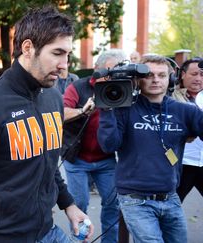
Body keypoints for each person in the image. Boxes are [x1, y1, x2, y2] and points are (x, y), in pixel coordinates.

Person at [0, 6, 93, 242]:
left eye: (67, 55)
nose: (65, 65)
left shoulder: (53, 98)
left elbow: (49, 163)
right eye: (57, 53)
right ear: (27, 48)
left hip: (48, 231)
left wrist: (69, 205)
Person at [97, 54, 203, 242]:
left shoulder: (186, 111)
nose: (155, 80)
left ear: (170, 79)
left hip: (171, 197)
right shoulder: (123, 110)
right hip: (134, 199)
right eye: (149, 75)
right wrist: (106, 110)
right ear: (138, 80)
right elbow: (108, 145)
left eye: (162, 75)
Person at [62, 49, 125, 243]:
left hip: (105, 159)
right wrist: (82, 110)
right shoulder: (78, 87)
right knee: (79, 204)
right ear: (97, 68)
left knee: (112, 205)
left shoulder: (123, 89)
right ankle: (79, 240)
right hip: (77, 159)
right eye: (109, 70)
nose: (112, 75)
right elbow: (61, 113)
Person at [172, 57, 203, 202]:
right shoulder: (170, 97)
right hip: (181, 163)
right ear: (183, 74)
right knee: (171, 206)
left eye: (202, 75)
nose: (198, 79)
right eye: (194, 74)